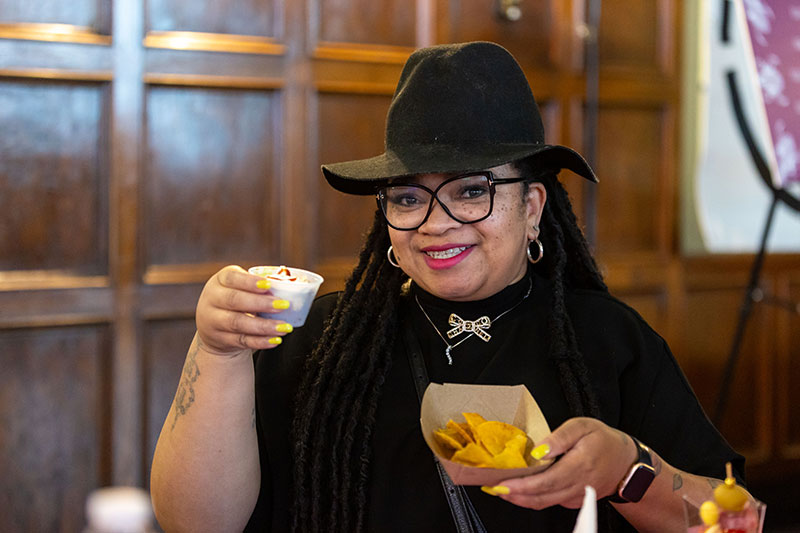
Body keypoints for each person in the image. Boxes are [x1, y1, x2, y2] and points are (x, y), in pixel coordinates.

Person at [150, 41, 750, 533]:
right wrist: (217, 351)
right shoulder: (323, 343)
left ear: (532, 207)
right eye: (408, 197)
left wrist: (629, 472)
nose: (436, 223)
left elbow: (733, 520)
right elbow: (193, 524)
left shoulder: (609, 341)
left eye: (471, 191)